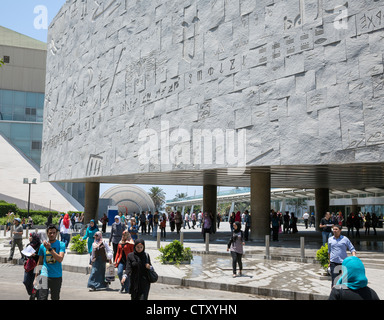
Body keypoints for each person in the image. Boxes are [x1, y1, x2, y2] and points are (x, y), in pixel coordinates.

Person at [34, 224, 66, 300]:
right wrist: (36, 277)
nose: (52, 234)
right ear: (47, 233)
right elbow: (40, 261)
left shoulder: (61, 244)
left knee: (55, 297)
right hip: (44, 275)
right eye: (50, 233)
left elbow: (60, 259)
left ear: (56, 233)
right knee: (42, 298)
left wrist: (50, 249)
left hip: (56, 276)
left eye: (54, 233)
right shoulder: (42, 246)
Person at [23, 232, 41, 300]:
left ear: (34, 237)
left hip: (36, 266)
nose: (29, 238)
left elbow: (41, 256)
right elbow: (25, 255)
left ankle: (33, 295)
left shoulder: (39, 246)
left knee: (35, 283)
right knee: (26, 281)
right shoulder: (28, 245)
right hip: (29, 266)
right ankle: (32, 293)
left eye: (30, 236)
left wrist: (35, 255)